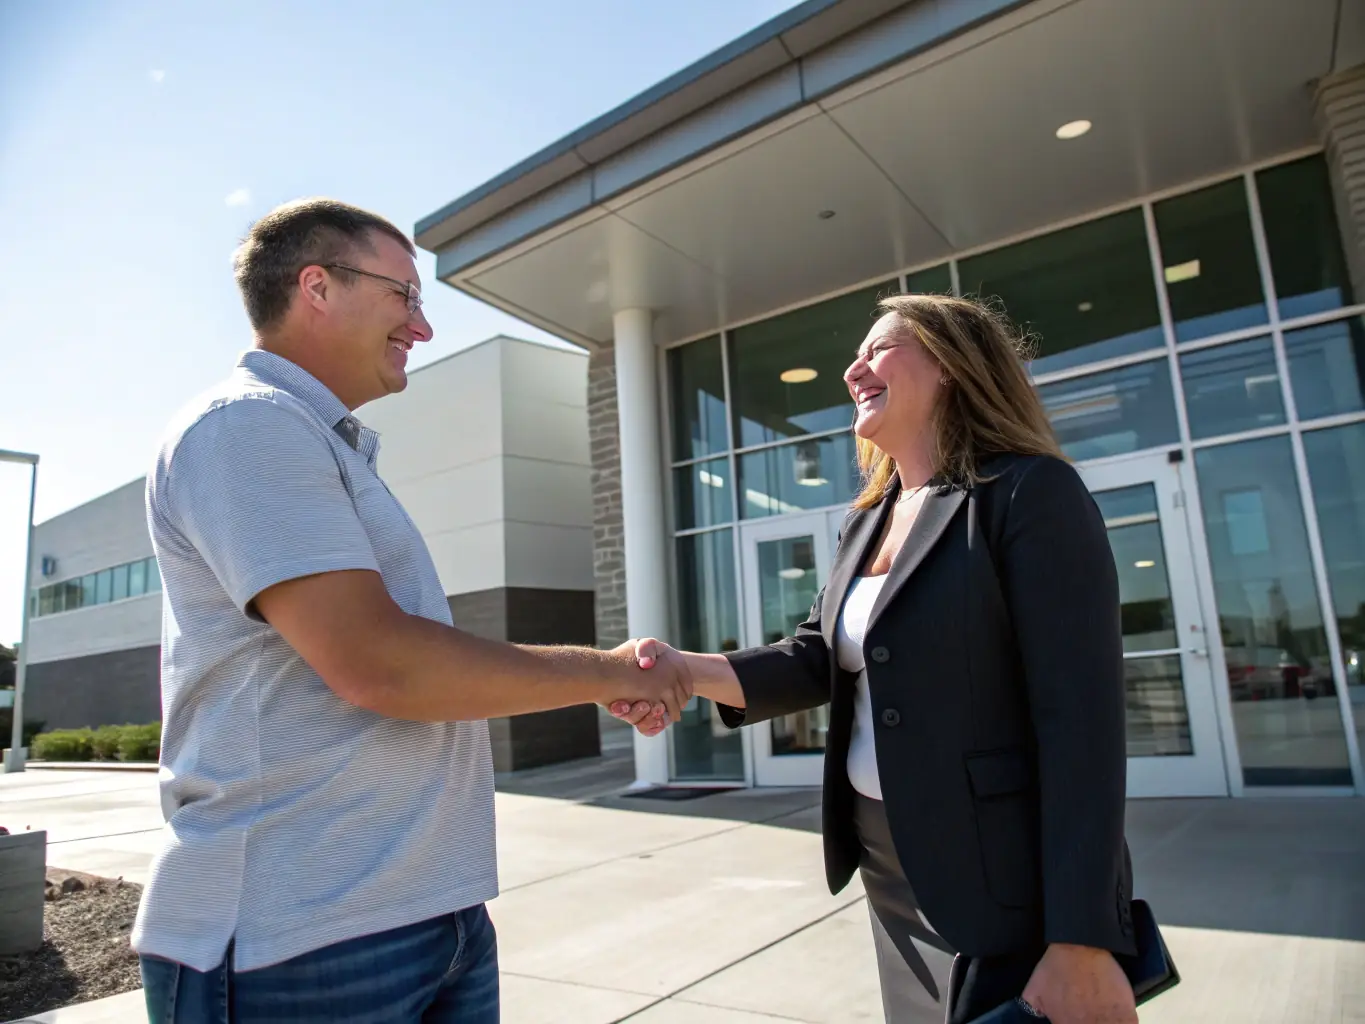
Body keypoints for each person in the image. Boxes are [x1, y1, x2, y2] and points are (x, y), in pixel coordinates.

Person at [134, 198, 688, 1023]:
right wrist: (611, 672)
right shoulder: (247, 427)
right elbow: (382, 665)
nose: (422, 328)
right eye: (404, 296)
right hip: (301, 941)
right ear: (317, 286)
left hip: (425, 915)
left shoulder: (315, 441)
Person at [613, 294, 1139, 1023]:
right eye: (855, 355)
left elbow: (1081, 723)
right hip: (888, 862)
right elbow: (815, 656)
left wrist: (1081, 936)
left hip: (998, 871)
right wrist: (683, 668)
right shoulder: (868, 520)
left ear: (952, 364)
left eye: (879, 348)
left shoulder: (1028, 492)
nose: (852, 369)